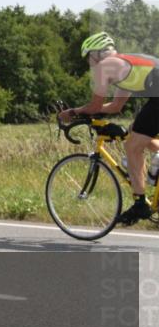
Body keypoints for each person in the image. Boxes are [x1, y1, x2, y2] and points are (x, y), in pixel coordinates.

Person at [58, 33, 159, 225]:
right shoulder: (124, 65)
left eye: (88, 58)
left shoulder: (105, 66)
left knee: (132, 146)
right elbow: (115, 106)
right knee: (135, 132)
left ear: (96, 54)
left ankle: (140, 204)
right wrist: (87, 114)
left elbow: (95, 106)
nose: (89, 63)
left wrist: (71, 112)